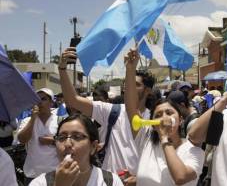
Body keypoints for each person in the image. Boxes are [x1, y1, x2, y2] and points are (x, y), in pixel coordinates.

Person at [59, 47, 155, 185]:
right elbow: (72, 100)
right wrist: (62, 70)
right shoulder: (112, 111)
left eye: (136, 84)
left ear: (148, 91)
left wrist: (139, 179)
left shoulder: (154, 119)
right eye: (127, 83)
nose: (128, 87)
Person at [124, 49, 204, 186]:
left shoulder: (193, 150)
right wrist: (130, 69)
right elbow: (132, 108)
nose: (163, 117)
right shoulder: (146, 140)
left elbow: (180, 177)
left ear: (181, 120)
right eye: (158, 115)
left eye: (169, 112)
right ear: (153, 123)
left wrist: (164, 138)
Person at [29, 114, 123, 186]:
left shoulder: (111, 181)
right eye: (62, 137)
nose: (67, 144)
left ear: (93, 146)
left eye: (77, 137)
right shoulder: (40, 183)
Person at [17, 88, 60, 184]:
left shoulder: (59, 121)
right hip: (32, 174)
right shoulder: (27, 121)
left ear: (51, 103)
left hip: (54, 173)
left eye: (43, 99)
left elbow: (67, 143)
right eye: (36, 99)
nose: (39, 102)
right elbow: (22, 139)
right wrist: (33, 119)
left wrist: (53, 140)